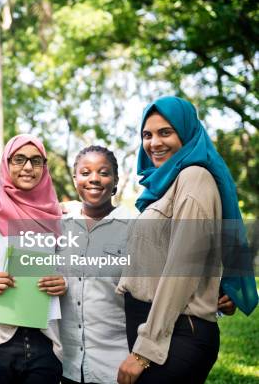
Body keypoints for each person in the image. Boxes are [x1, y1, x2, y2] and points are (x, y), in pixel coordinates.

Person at [116, 96, 258, 383]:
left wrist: (145, 351)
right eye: (147, 134)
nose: (154, 142)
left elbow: (183, 267)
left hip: (176, 334)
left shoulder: (194, 177)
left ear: (187, 132)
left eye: (165, 132)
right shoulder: (169, 184)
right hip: (160, 326)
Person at [0, 134, 66, 383]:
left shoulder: (58, 214)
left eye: (36, 161)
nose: (28, 167)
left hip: (45, 339)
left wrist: (63, 280)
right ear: (7, 162)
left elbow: (70, 268)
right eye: (19, 159)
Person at [59, 146, 134, 384]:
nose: (94, 179)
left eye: (103, 172)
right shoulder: (58, 223)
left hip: (115, 365)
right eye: (85, 172)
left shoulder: (135, 226)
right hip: (65, 365)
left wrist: (216, 300)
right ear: (75, 180)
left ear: (115, 181)